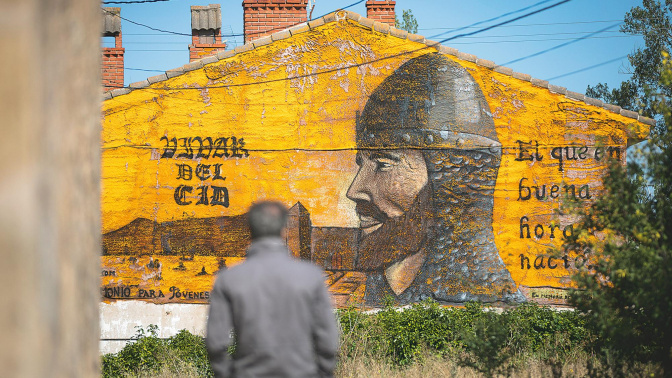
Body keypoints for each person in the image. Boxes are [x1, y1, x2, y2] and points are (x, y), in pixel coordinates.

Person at [347, 52, 525, 306]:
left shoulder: (490, 315)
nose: (354, 190)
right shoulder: (383, 288)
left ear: (451, 183)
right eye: (361, 165)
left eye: (383, 165)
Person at [206, 201, 339, 378]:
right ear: (284, 229)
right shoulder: (311, 276)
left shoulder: (229, 279)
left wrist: (226, 373)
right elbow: (327, 339)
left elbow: (216, 342)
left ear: (250, 230)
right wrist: (322, 372)